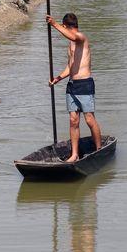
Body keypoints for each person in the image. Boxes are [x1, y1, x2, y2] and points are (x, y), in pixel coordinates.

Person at [46, 13, 102, 162]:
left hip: (85, 84)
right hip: (72, 85)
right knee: (73, 120)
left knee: (89, 119)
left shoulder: (81, 37)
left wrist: (54, 24)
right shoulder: (70, 45)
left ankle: (99, 149)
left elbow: (73, 37)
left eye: (63, 27)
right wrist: (57, 79)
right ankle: (75, 154)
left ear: (66, 26)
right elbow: (70, 67)